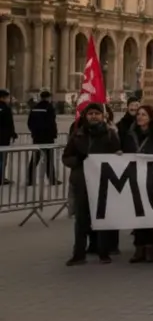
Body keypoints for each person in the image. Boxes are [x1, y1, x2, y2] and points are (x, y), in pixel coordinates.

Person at [62, 103, 123, 265]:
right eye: (90, 114)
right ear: (85, 116)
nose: (93, 116)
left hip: (102, 183)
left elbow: (118, 157)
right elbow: (66, 158)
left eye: (97, 113)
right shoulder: (77, 136)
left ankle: (103, 252)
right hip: (81, 182)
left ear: (102, 116)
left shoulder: (110, 135)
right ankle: (78, 254)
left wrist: (117, 156)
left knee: (101, 218)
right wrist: (77, 160)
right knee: (81, 220)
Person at [125, 105, 153, 263]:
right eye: (138, 114)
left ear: (150, 117)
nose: (140, 117)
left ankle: (151, 248)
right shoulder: (130, 135)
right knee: (138, 215)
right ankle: (139, 248)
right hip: (135, 179)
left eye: (144, 114)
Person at [27, 90, 59, 184]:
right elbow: (51, 123)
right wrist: (54, 134)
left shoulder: (34, 107)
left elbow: (29, 122)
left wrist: (34, 132)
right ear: (49, 97)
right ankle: (52, 179)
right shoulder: (49, 107)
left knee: (35, 158)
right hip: (47, 137)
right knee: (49, 159)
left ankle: (30, 179)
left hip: (37, 137)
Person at [0, 89, 14, 185]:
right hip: (3, 137)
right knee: (2, 158)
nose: (8, 99)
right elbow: (9, 123)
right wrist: (13, 133)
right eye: (7, 97)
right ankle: (1, 177)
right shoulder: (6, 108)